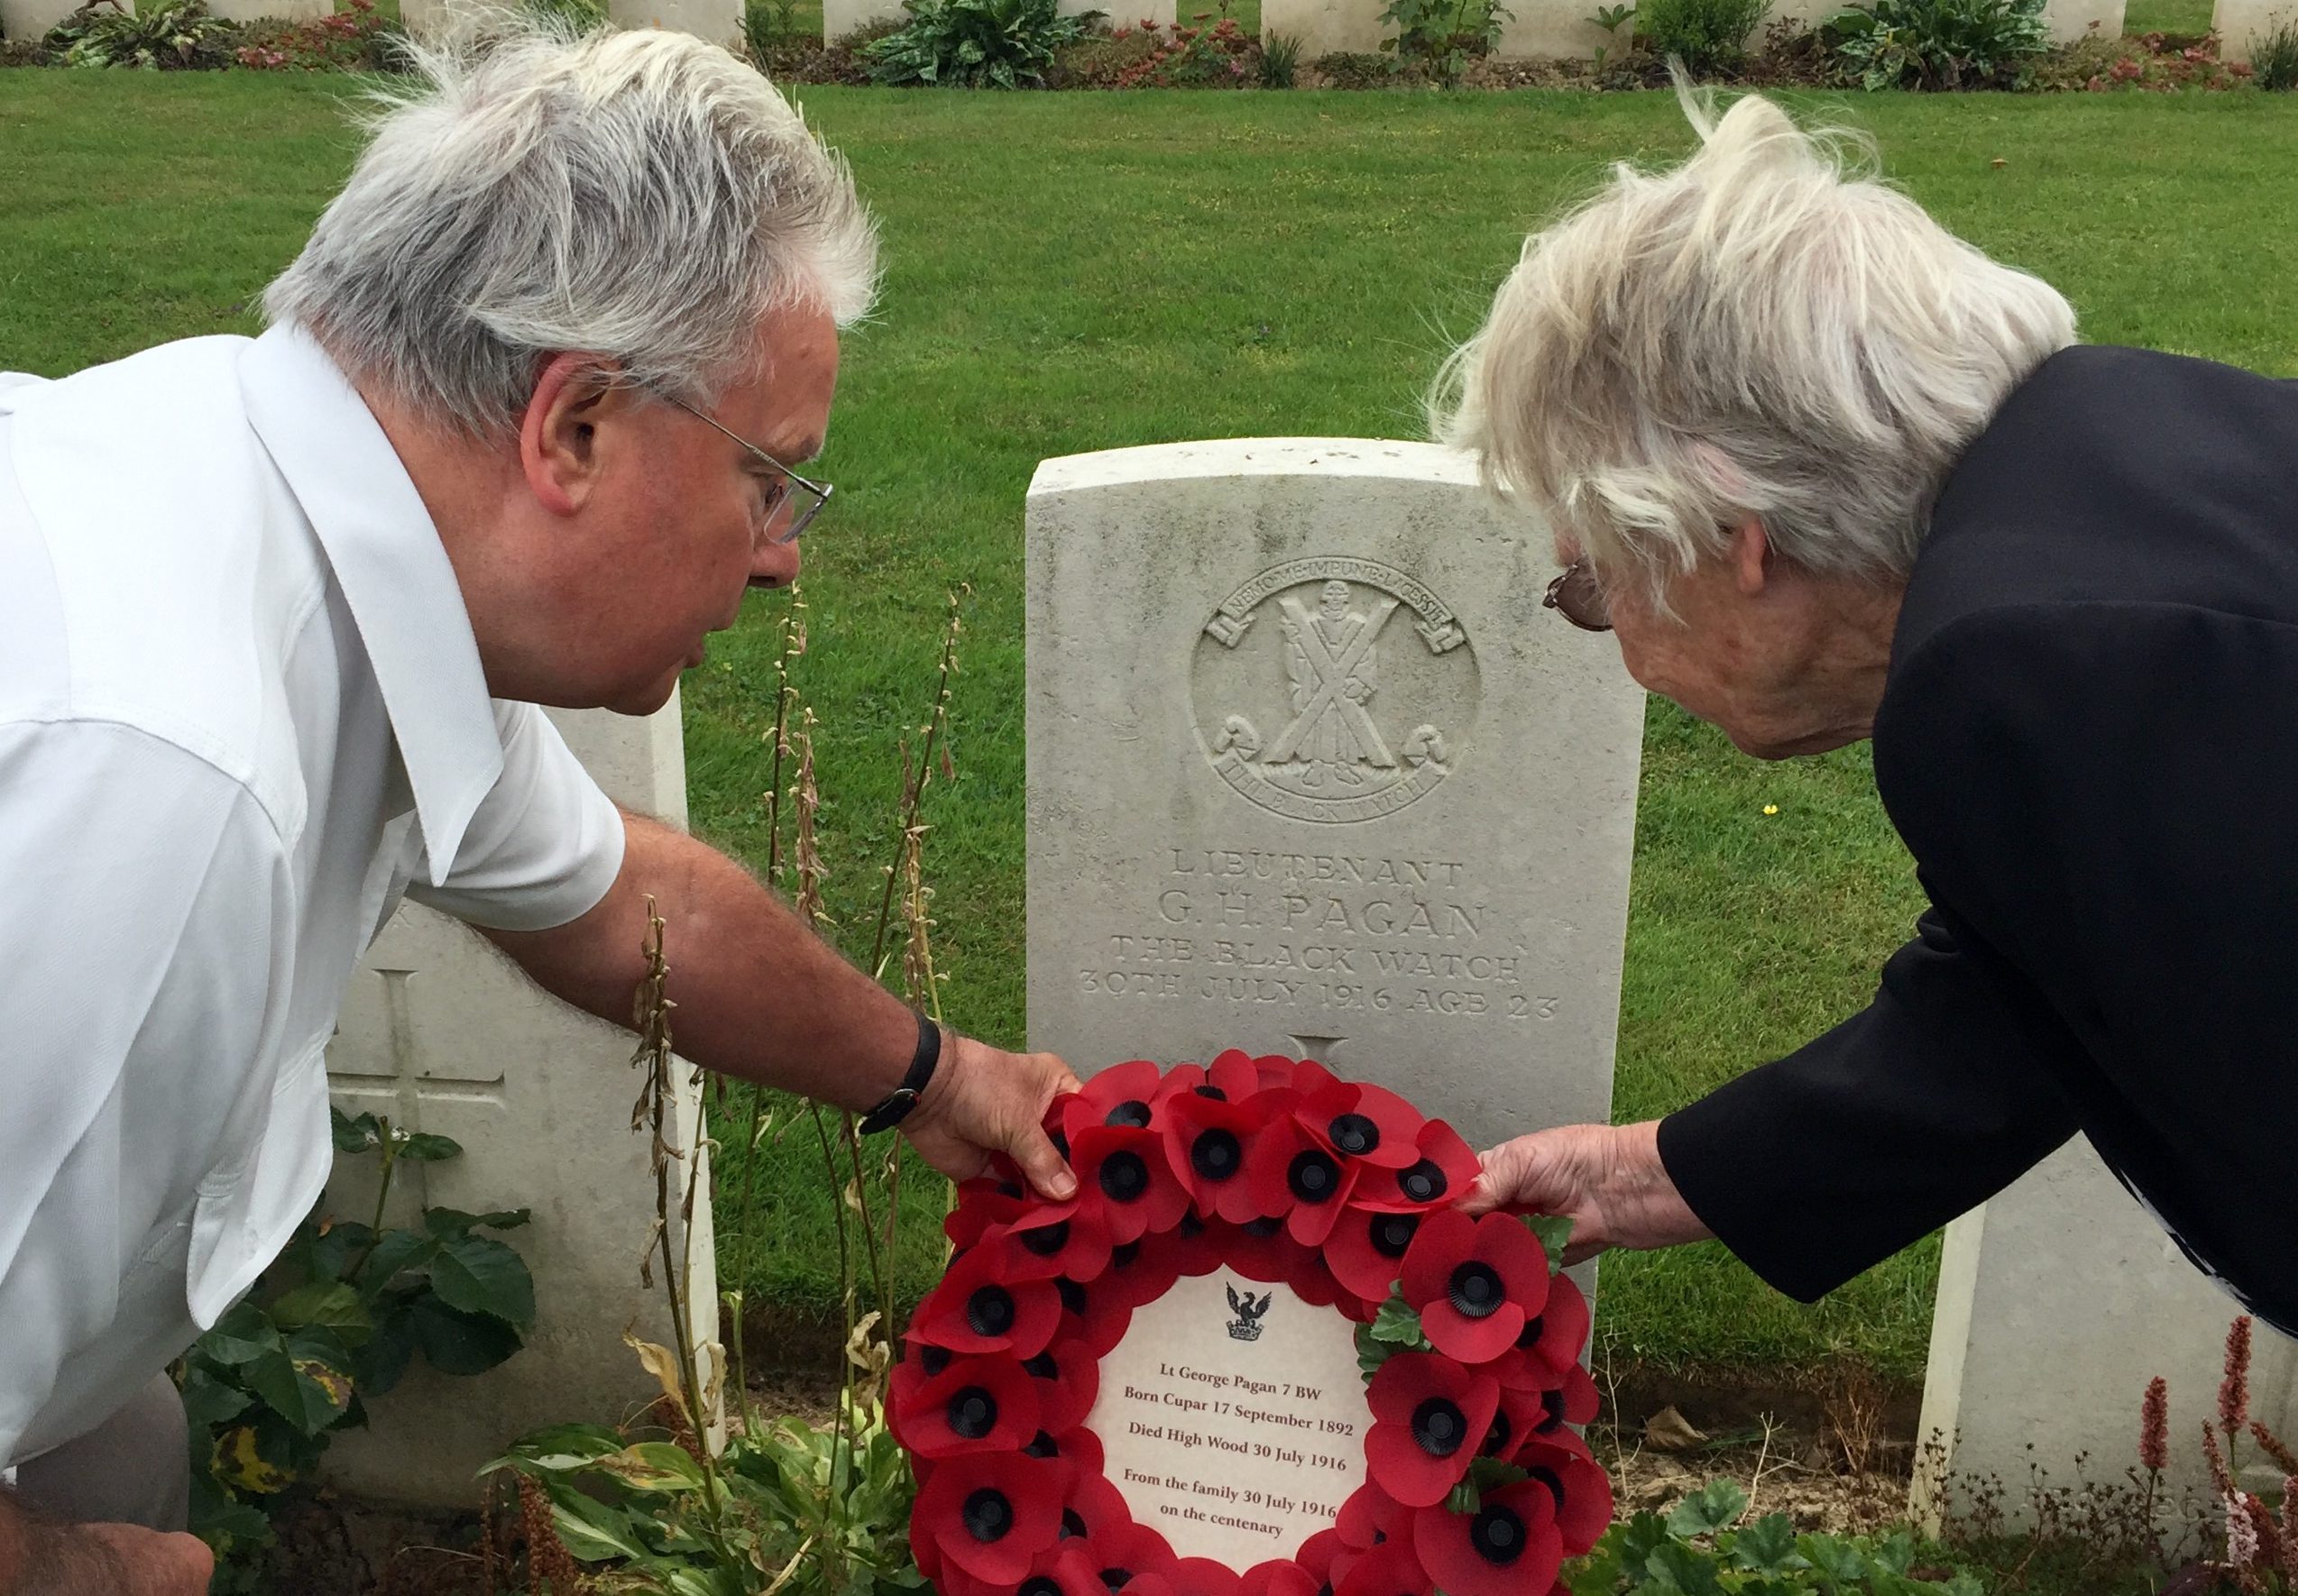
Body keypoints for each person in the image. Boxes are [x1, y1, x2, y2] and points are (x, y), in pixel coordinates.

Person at [0, 24, 1077, 1592]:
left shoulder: (316, 527)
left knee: (125, 1438)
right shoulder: (161, 779)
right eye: (770, 482)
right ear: (572, 428)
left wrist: (934, 1077)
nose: (784, 557)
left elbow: (629, 903)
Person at [1444, 90, 2298, 1342]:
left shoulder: (2012, 666)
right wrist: (1646, 1172)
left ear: (1732, 541)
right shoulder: (2110, 452)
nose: (1622, 651)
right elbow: (2042, 982)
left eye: (1592, 584)